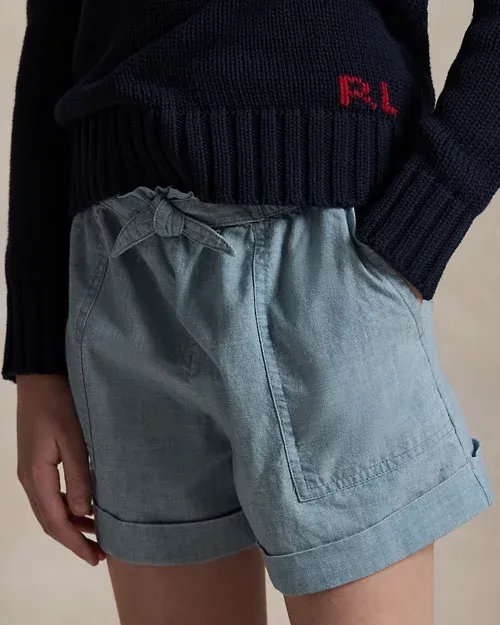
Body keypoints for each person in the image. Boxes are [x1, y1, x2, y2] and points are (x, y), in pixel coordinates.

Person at [6, 1, 497, 623]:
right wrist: (38, 359)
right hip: (120, 261)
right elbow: (52, 32)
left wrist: (431, 207)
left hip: (324, 262)